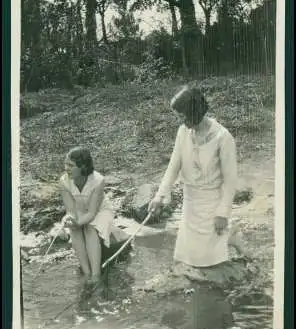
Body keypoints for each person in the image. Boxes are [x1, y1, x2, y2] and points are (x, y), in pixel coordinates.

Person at [148, 84, 239, 281]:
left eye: (182, 115)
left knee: (213, 264)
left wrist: (223, 213)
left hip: (212, 203)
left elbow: (231, 181)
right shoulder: (183, 132)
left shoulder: (223, 138)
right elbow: (173, 166)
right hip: (190, 202)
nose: (180, 120)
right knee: (188, 261)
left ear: (194, 111)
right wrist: (159, 196)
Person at [59, 146, 128, 283]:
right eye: (66, 164)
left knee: (90, 228)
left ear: (83, 166)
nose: (66, 168)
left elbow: (91, 213)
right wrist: (70, 219)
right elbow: (71, 210)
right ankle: (86, 272)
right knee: (74, 228)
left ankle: (96, 274)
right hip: (80, 209)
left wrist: (78, 222)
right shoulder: (63, 181)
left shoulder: (98, 180)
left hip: (100, 211)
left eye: (71, 165)